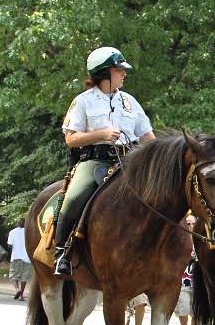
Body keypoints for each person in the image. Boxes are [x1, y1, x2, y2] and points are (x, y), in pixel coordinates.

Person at [54, 47, 155, 275]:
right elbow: (71, 139)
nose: (124, 74)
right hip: (95, 162)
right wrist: (101, 134)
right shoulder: (83, 102)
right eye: (119, 70)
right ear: (105, 73)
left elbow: (148, 138)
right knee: (74, 197)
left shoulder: (130, 102)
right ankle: (62, 252)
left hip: (130, 162)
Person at [5, 218, 31, 301]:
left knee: (13, 276)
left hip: (16, 257)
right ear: (25, 224)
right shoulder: (28, 232)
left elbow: (9, 245)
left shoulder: (12, 232)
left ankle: (17, 290)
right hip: (27, 258)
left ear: (17, 223)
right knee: (24, 277)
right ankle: (21, 296)